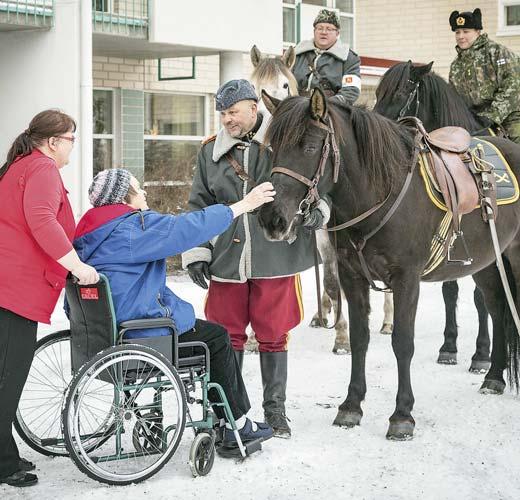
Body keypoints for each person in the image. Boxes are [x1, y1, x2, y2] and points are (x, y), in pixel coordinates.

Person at [73, 168, 276, 451]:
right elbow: (188, 227)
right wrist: (243, 205)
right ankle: (236, 425)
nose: (144, 192)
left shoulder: (91, 233)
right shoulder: (134, 228)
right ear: (124, 198)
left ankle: (228, 420)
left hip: (104, 335)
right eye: (137, 188)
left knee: (199, 327)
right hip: (141, 334)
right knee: (216, 338)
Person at [181, 79, 330, 439]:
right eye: (222, 114)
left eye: (232, 112)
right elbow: (199, 203)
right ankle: (231, 412)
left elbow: (316, 185)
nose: (227, 120)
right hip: (228, 258)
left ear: (253, 107)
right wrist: (198, 251)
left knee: (273, 334)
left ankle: (275, 412)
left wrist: (318, 213)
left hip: (276, 254)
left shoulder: (284, 138)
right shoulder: (209, 152)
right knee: (227, 336)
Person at [0, 110, 99, 488]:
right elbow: (42, 219)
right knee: (8, 379)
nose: (74, 145)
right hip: (14, 290)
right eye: (72, 138)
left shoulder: (20, 165)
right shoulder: (41, 169)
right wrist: (76, 266)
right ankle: (3, 465)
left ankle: (4, 453)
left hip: (8, 285)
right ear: (53, 141)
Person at [449, 8, 520, 143]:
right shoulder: (456, 66)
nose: (460, 36)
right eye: (457, 32)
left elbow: (513, 85)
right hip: (475, 122)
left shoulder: (497, 53)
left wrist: (492, 116)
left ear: (477, 31)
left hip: (509, 118)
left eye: (466, 31)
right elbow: (455, 100)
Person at [292, 8, 361, 104]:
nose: (323, 32)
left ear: (337, 33)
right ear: (314, 31)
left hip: (332, 109)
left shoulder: (349, 58)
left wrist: (329, 105)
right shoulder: (297, 54)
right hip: (296, 106)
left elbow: (351, 90)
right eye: (320, 28)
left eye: (329, 29)